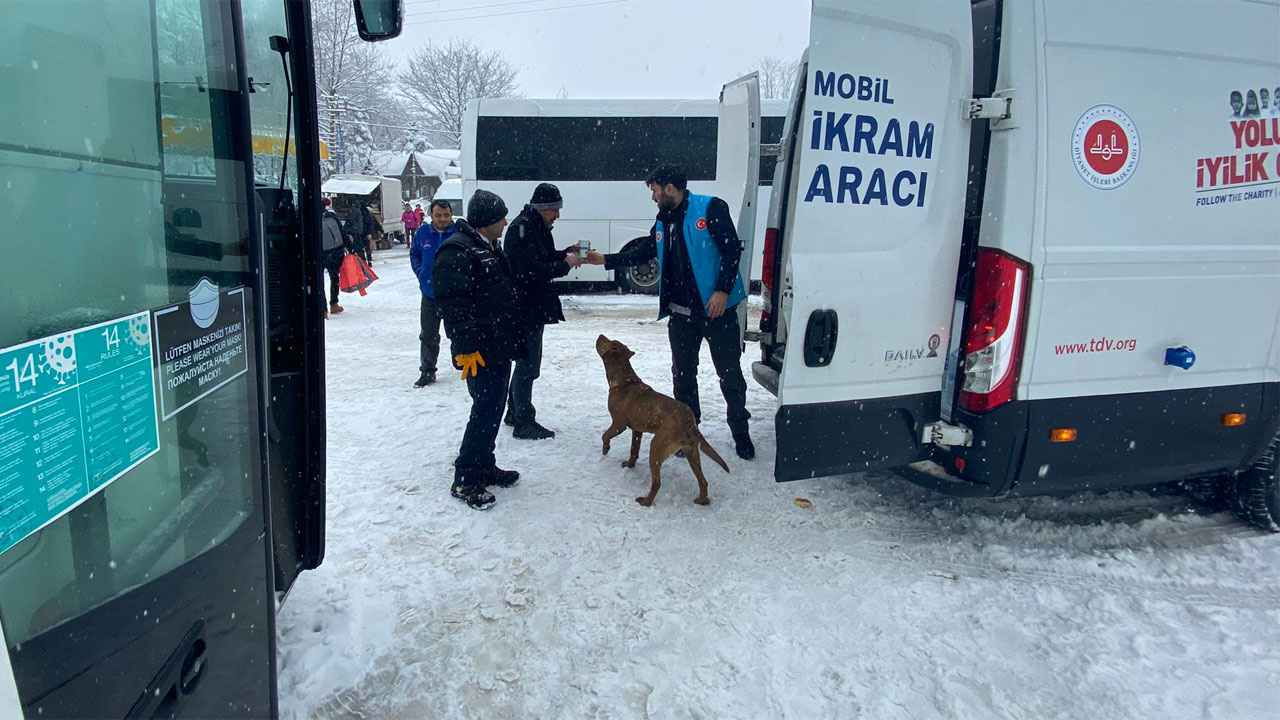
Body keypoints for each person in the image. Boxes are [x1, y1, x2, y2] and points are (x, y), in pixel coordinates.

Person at [585, 165, 755, 460]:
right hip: (681, 315)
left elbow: (731, 250)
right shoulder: (663, 220)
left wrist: (722, 290)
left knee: (729, 375)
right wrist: (605, 260)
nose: (652, 196)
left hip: (718, 311)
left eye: (654, 189)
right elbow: (647, 250)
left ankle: (740, 431)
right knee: (684, 376)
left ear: (670, 188)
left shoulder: (710, 208)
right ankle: (687, 430)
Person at [432, 190, 524, 510]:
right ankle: (466, 479)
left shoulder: (484, 246)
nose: (505, 222)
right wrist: (467, 347)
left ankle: (485, 464)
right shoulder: (457, 250)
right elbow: (454, 306)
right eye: (501, 217)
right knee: (484, 411)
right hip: (480, 351)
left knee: (493, 409)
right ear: (487, 221)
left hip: (496, 345)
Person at [501, 183, 582, 440]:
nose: (557, 215)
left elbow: (541, 258)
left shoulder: (534, 225)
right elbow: (529, 270)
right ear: (543, 208)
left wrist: (565, 254)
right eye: (555, 209)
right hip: (526, 307)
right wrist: (564, 265)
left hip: (530, 305)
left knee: (526, 362)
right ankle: (524, 421)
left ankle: (514, 412)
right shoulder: (523, 228)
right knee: (528, 365)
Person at [410, 199, 456, 387]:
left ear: (451, 215)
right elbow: (414, 254)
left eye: (446, 215)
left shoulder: (458, 233)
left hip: (454, 294)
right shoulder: (423, 233)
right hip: (429, 294)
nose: (442, 219)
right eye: (438, 215)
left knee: (457, 332)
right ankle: (428, 371)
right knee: (428, 335)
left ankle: (463, 365)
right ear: (431, 216)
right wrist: (421, 273)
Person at [321, 197, 347, 316]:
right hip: (335, 252)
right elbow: (342, 232)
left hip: (319, 254)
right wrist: (350, 247)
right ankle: (334, 304)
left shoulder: (310, 216)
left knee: (318, 281)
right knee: (334, 278)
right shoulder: (331, 216)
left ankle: (323, 309)